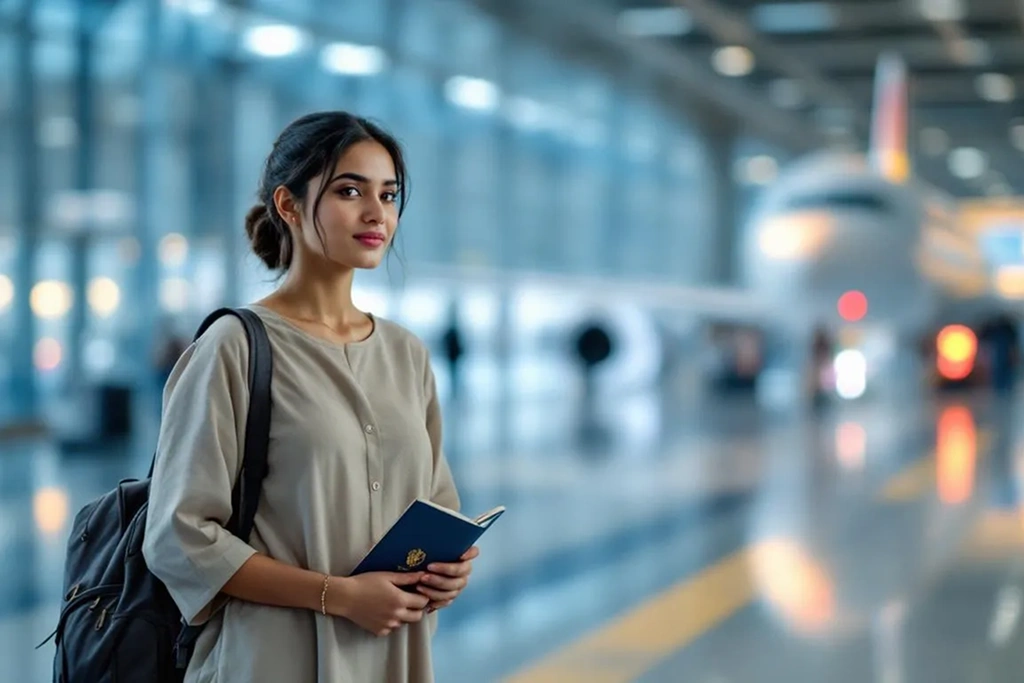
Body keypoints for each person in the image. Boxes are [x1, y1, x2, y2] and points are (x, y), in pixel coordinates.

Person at [143, 111, 477, 683]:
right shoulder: (235, 346)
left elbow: (437, 506)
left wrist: (451, 570)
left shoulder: (406, 354)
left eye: (389, 195)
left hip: (392, 658)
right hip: (270, 660)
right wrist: (337, 596)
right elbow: (180, 536)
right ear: (290, 205)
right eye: (350, 191)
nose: (377, 213)